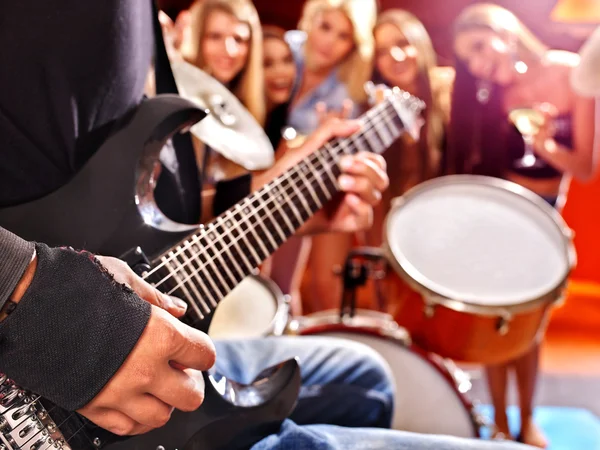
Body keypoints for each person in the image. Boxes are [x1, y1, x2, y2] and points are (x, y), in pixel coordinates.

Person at [0, 1, 535, 449]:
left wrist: (284, 202)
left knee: (368, 378)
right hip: (50, 342)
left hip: (110, 314)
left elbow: (116, 226)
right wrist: (47, 305)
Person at [448, 4, 597, 447]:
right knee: (497, 317)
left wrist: (545, 143)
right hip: (498, 213)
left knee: (530, 324)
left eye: (478, 48)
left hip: (544, 212)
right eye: (467, 60)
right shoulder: (491, 96)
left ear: (505, 32)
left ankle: (527, 420)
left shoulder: (573, 74)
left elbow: (585, 167)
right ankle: (496, 422)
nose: (478, 66)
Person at [288, 0, 379, 314]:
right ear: (309, 20)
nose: (329, 42)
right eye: (325, 27)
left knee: (290, 287)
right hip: (244, 178)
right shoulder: (283, 51)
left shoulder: (345, 93)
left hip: (297, 192)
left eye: (343, 37)